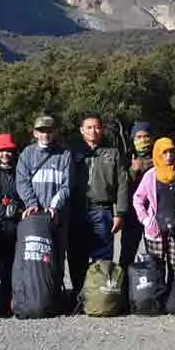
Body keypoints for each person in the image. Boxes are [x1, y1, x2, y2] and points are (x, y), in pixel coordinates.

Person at [69, 113, 129, 297]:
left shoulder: (113, 153)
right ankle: (79, 296)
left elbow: (122, 184)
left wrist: (120, 213)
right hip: (77, 211)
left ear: (102, 130)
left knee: (102, 259)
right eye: (89, 127)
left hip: (102, 211)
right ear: (82, 130)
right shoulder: (72, 153)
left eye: (96, 127)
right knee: (76, 257)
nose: (93, 131)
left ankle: (100, 298)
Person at [16, 115, 73, 299]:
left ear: (54, 132)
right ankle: (36, 296)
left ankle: (56, 296)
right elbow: (22, 182)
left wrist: (54, 206)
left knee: (58, 255)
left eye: (49, 131)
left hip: (58, 215)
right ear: (35, 133)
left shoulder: (65, 155)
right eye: (41, 131)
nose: (45, 134)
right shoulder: (27, 154)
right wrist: (32, 204)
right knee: (36, 255)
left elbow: (67, 185)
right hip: (35, 217)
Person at [132, 137, 175, 285]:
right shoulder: (150, 175)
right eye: (164, 152)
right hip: (156, 228)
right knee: (156, 266)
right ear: (158, 154)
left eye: (171, 151)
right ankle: (158, 293)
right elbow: (138, 199)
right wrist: (146, 220)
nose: (169, 155)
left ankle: (172, 293)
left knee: (174, 265)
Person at [0, 133, 23, 311]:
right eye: (1, 151)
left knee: (13, 263)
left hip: (15, 223)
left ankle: (11, 300)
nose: (5, 154)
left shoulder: (20, 172)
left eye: (8, 151)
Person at [120, 120, 153, 266]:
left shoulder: (160, 157)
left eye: (146, 136)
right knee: (127, 253)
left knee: (154, 254)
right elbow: (121, 187)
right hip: (132, 214)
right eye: (138, 137)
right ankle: (125, 279)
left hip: (152, 214)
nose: (143, 140)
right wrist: (133, 170)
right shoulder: (125, 159)